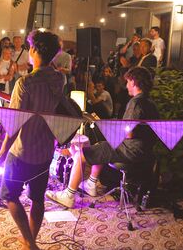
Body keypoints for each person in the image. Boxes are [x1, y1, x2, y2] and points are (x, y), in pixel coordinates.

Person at [46, 66, 159, 208]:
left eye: (128, 82)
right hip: (144, 151)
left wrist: (112, 128)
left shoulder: (135, 102)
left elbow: (129, 133)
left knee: (81, 154)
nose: (126, 85)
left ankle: (68, 195)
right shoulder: (151, 103)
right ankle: (91, 184)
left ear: (134, 82)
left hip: (130, 150)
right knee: (101, 146)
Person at [0, 31, 64, 250]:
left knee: (10, 195)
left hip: (22, 151)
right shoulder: (60, 78)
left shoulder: (25, 83)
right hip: (45, 150)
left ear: (33, 50)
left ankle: (30, 244)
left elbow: (14, 122)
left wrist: (2, 151)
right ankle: (29, 241)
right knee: (38, 199)